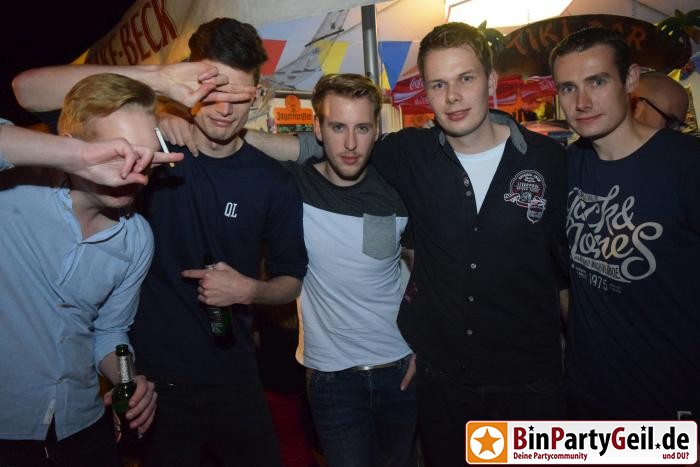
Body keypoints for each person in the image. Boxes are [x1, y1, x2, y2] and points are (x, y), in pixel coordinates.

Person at [234, 23, 569, 467]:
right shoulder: (408, 154)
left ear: (490, 82)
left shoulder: (551, 161)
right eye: (438, 84)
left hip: (528, 381)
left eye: (466, 78)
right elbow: (321, 147)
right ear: (425, 93)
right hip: (443, 383)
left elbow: (566, 273)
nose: (453, 96)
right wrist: (229, 131)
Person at [13, 18, 308, 467]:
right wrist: (159, 84)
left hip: (236, 380)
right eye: (213, 91)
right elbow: (28, 91)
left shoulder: (273, 182)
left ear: (257, 94)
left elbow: (291, 281)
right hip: (155, 384)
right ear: (189, 84)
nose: (224, 109)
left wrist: (250, 289)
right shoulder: (146, 152)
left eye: (238, 96)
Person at [0, 73, 183, 467]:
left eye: (146, 157)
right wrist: (78, 158)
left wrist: (127, 378)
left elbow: (110, 330)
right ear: (71, 148)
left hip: (81, 426)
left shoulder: (137, 238)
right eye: (117, 153)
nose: (135, 170)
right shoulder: (13, 187)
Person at [549, 27, 700, 421]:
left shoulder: (685, 164)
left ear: (630, 80)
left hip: (668, 404)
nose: (582, 102)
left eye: (597, 82)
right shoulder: (568, 166)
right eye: (568, 88)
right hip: (586, 397)